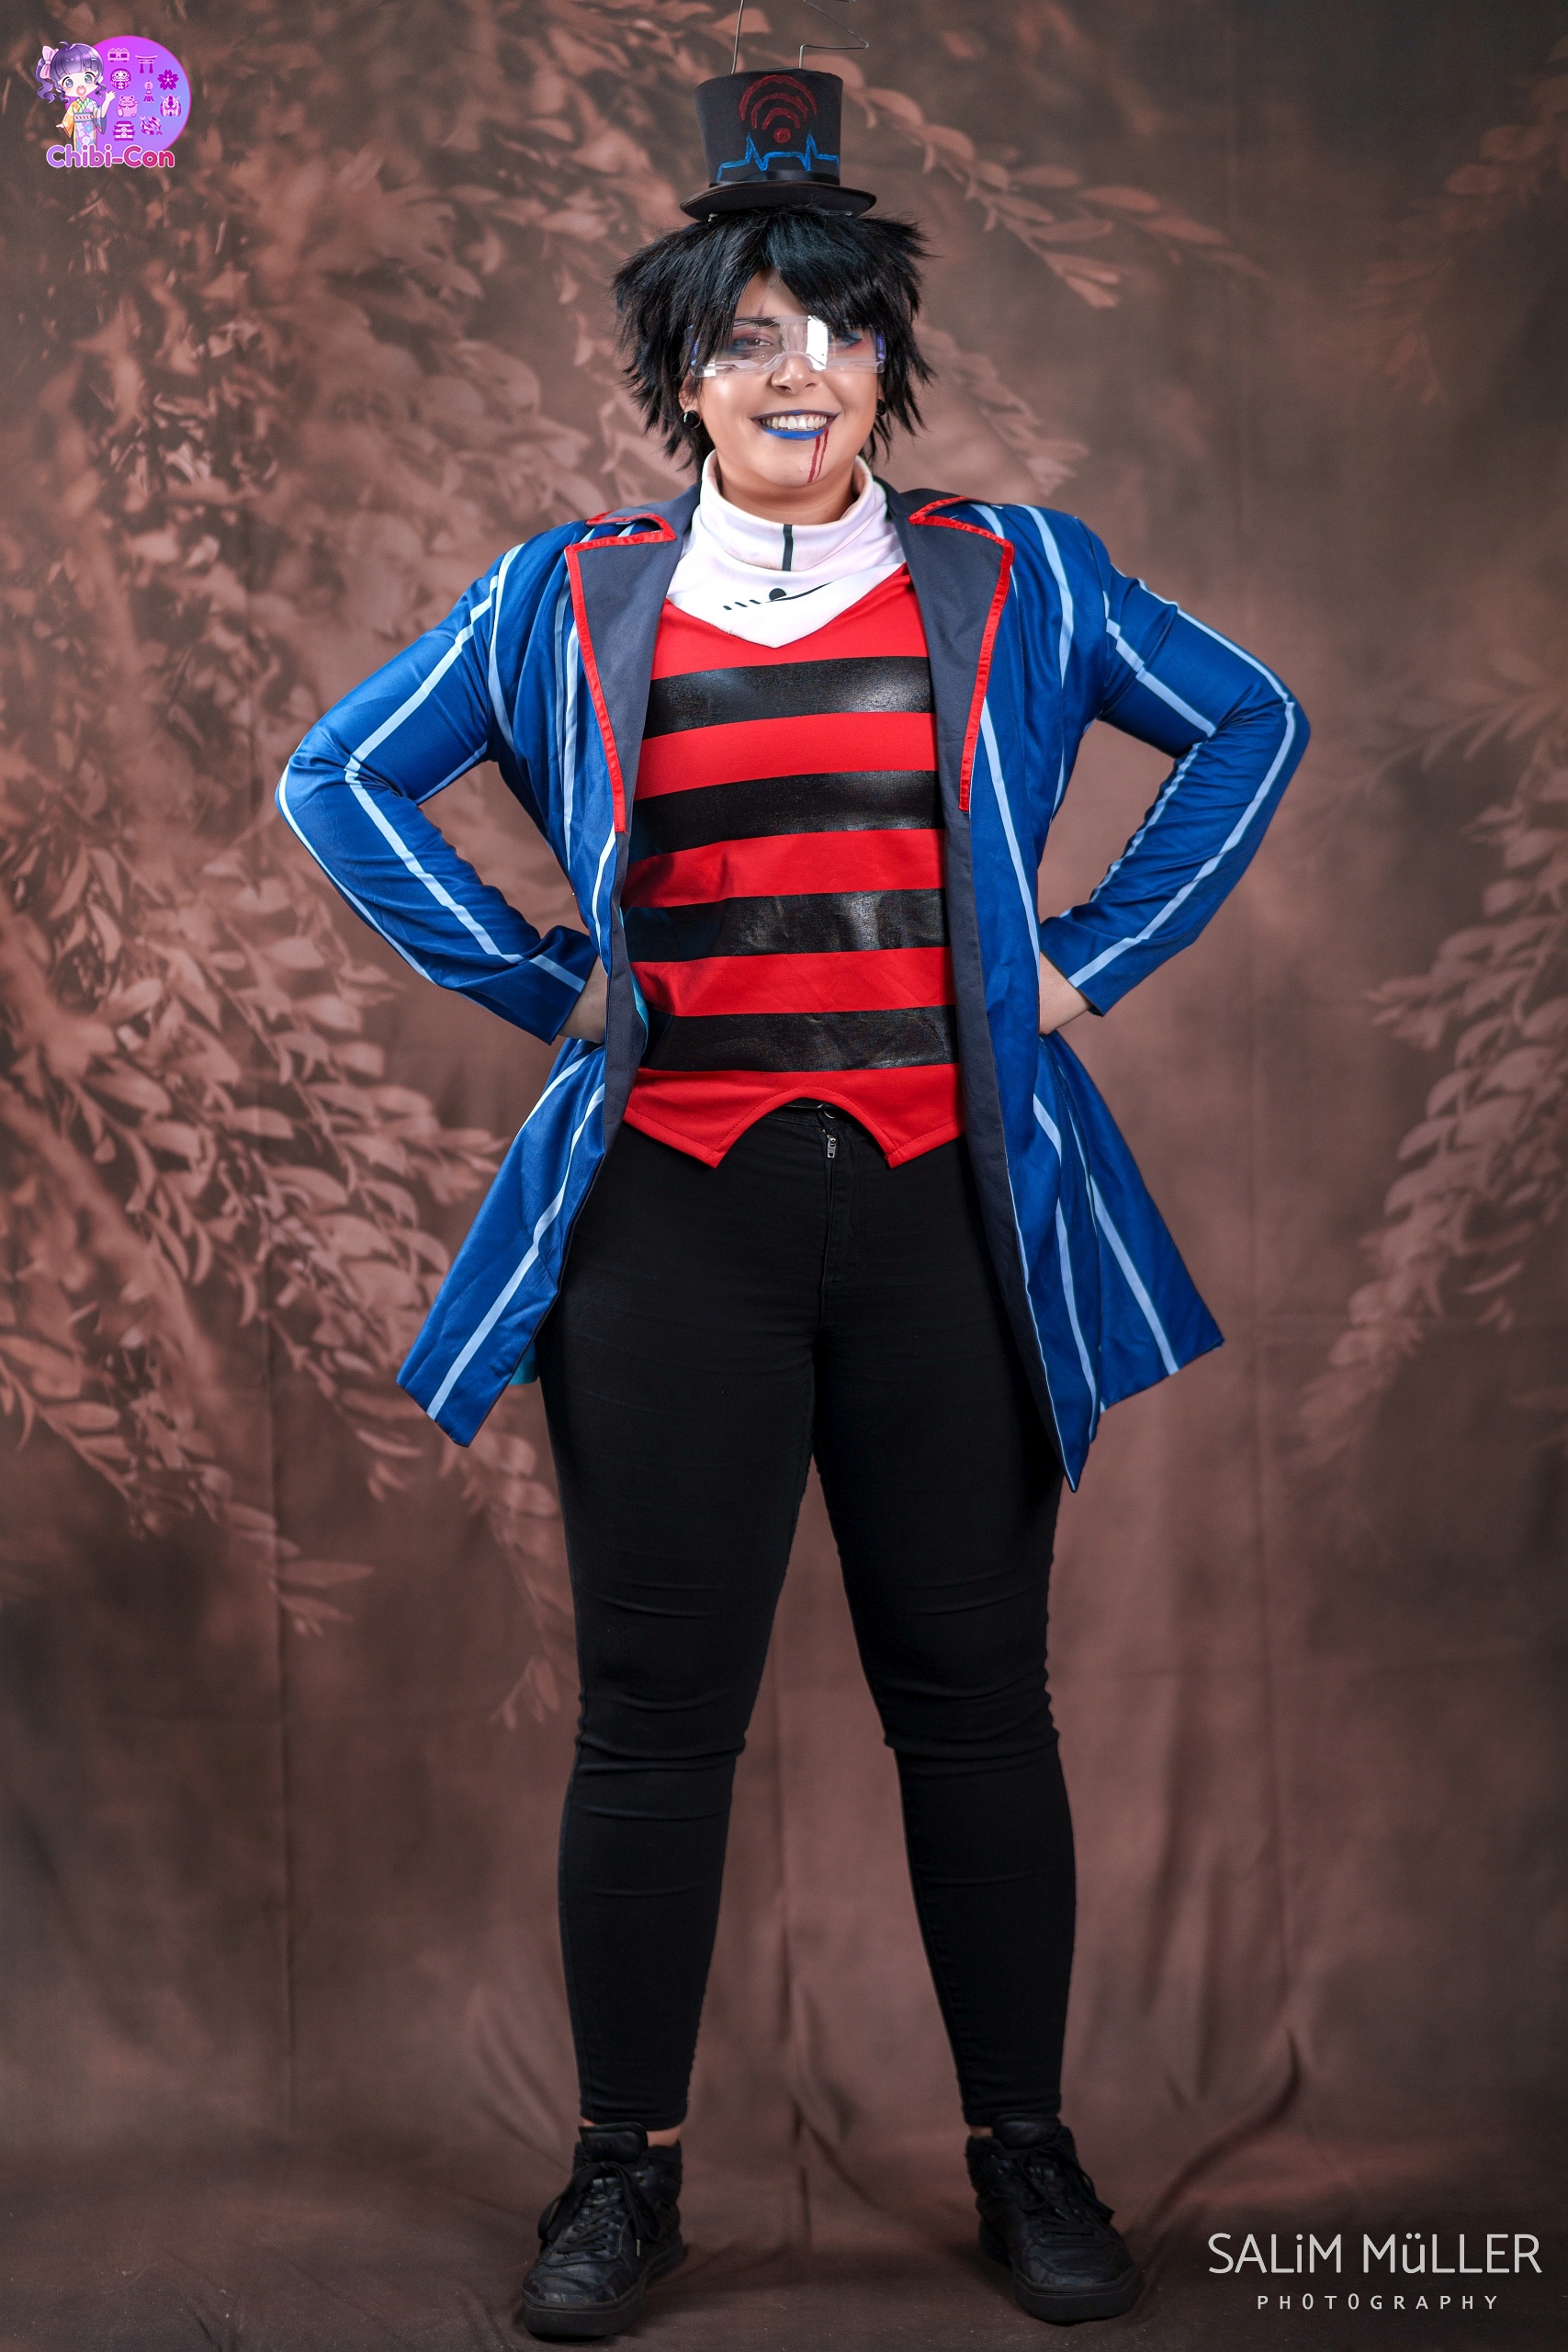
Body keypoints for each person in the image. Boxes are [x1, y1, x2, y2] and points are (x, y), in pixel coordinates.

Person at [278, 65, 1307, 2343]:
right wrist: (540, 981)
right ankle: (619, 2176)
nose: (795, 372)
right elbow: (334, 775)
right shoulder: (562, 595)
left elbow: (1248, 721)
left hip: (953, 1220)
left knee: (977, 1701)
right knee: (655, 1714)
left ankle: (1024, 2146)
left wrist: (1086, 959)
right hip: (668, 1234)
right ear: (679, 374)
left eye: (835, 329)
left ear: (885, 357)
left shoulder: (1015, 573)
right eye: (743, 337)